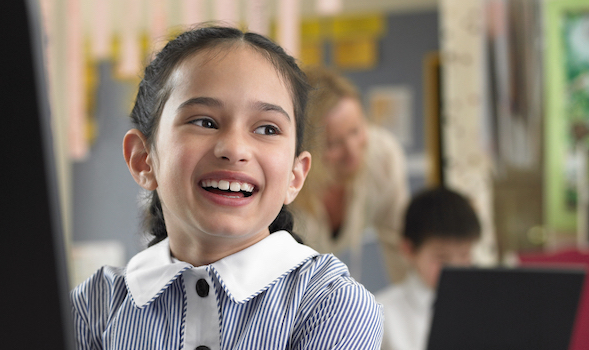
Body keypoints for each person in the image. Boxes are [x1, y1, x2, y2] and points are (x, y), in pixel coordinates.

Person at [70, 26, 383, 349]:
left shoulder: (333, 305)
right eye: (204, 121)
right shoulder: (95, 307)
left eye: (266, 128)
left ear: (295, 176)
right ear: (143, 160)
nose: (235, 148)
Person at [291, 68, 409, 288]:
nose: (353, 153)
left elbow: (400, 246)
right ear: (304, 149)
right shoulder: (286, 185)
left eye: (356, 131)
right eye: (333, 143)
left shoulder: (383, 158)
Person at [375, 187, 482, 350]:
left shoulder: (481, 307)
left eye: (464, 254)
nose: (455, 267)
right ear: (409, 250)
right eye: (442, 257)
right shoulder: (380, 313)